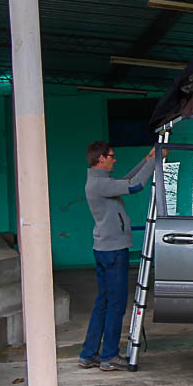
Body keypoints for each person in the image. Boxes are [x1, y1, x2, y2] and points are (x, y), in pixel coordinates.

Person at [80, 141, 153, 371]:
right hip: (113, 251)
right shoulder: (100, 185)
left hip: (104, 249)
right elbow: (135, 185)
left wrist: (147, 158)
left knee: (103, 302)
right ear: (100, 159)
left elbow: (126, 180)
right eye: (111, 156)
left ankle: (89, 353)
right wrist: (155, 160)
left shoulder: (99, 181)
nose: (115, 159)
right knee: (116, 304)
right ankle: (109, 356)